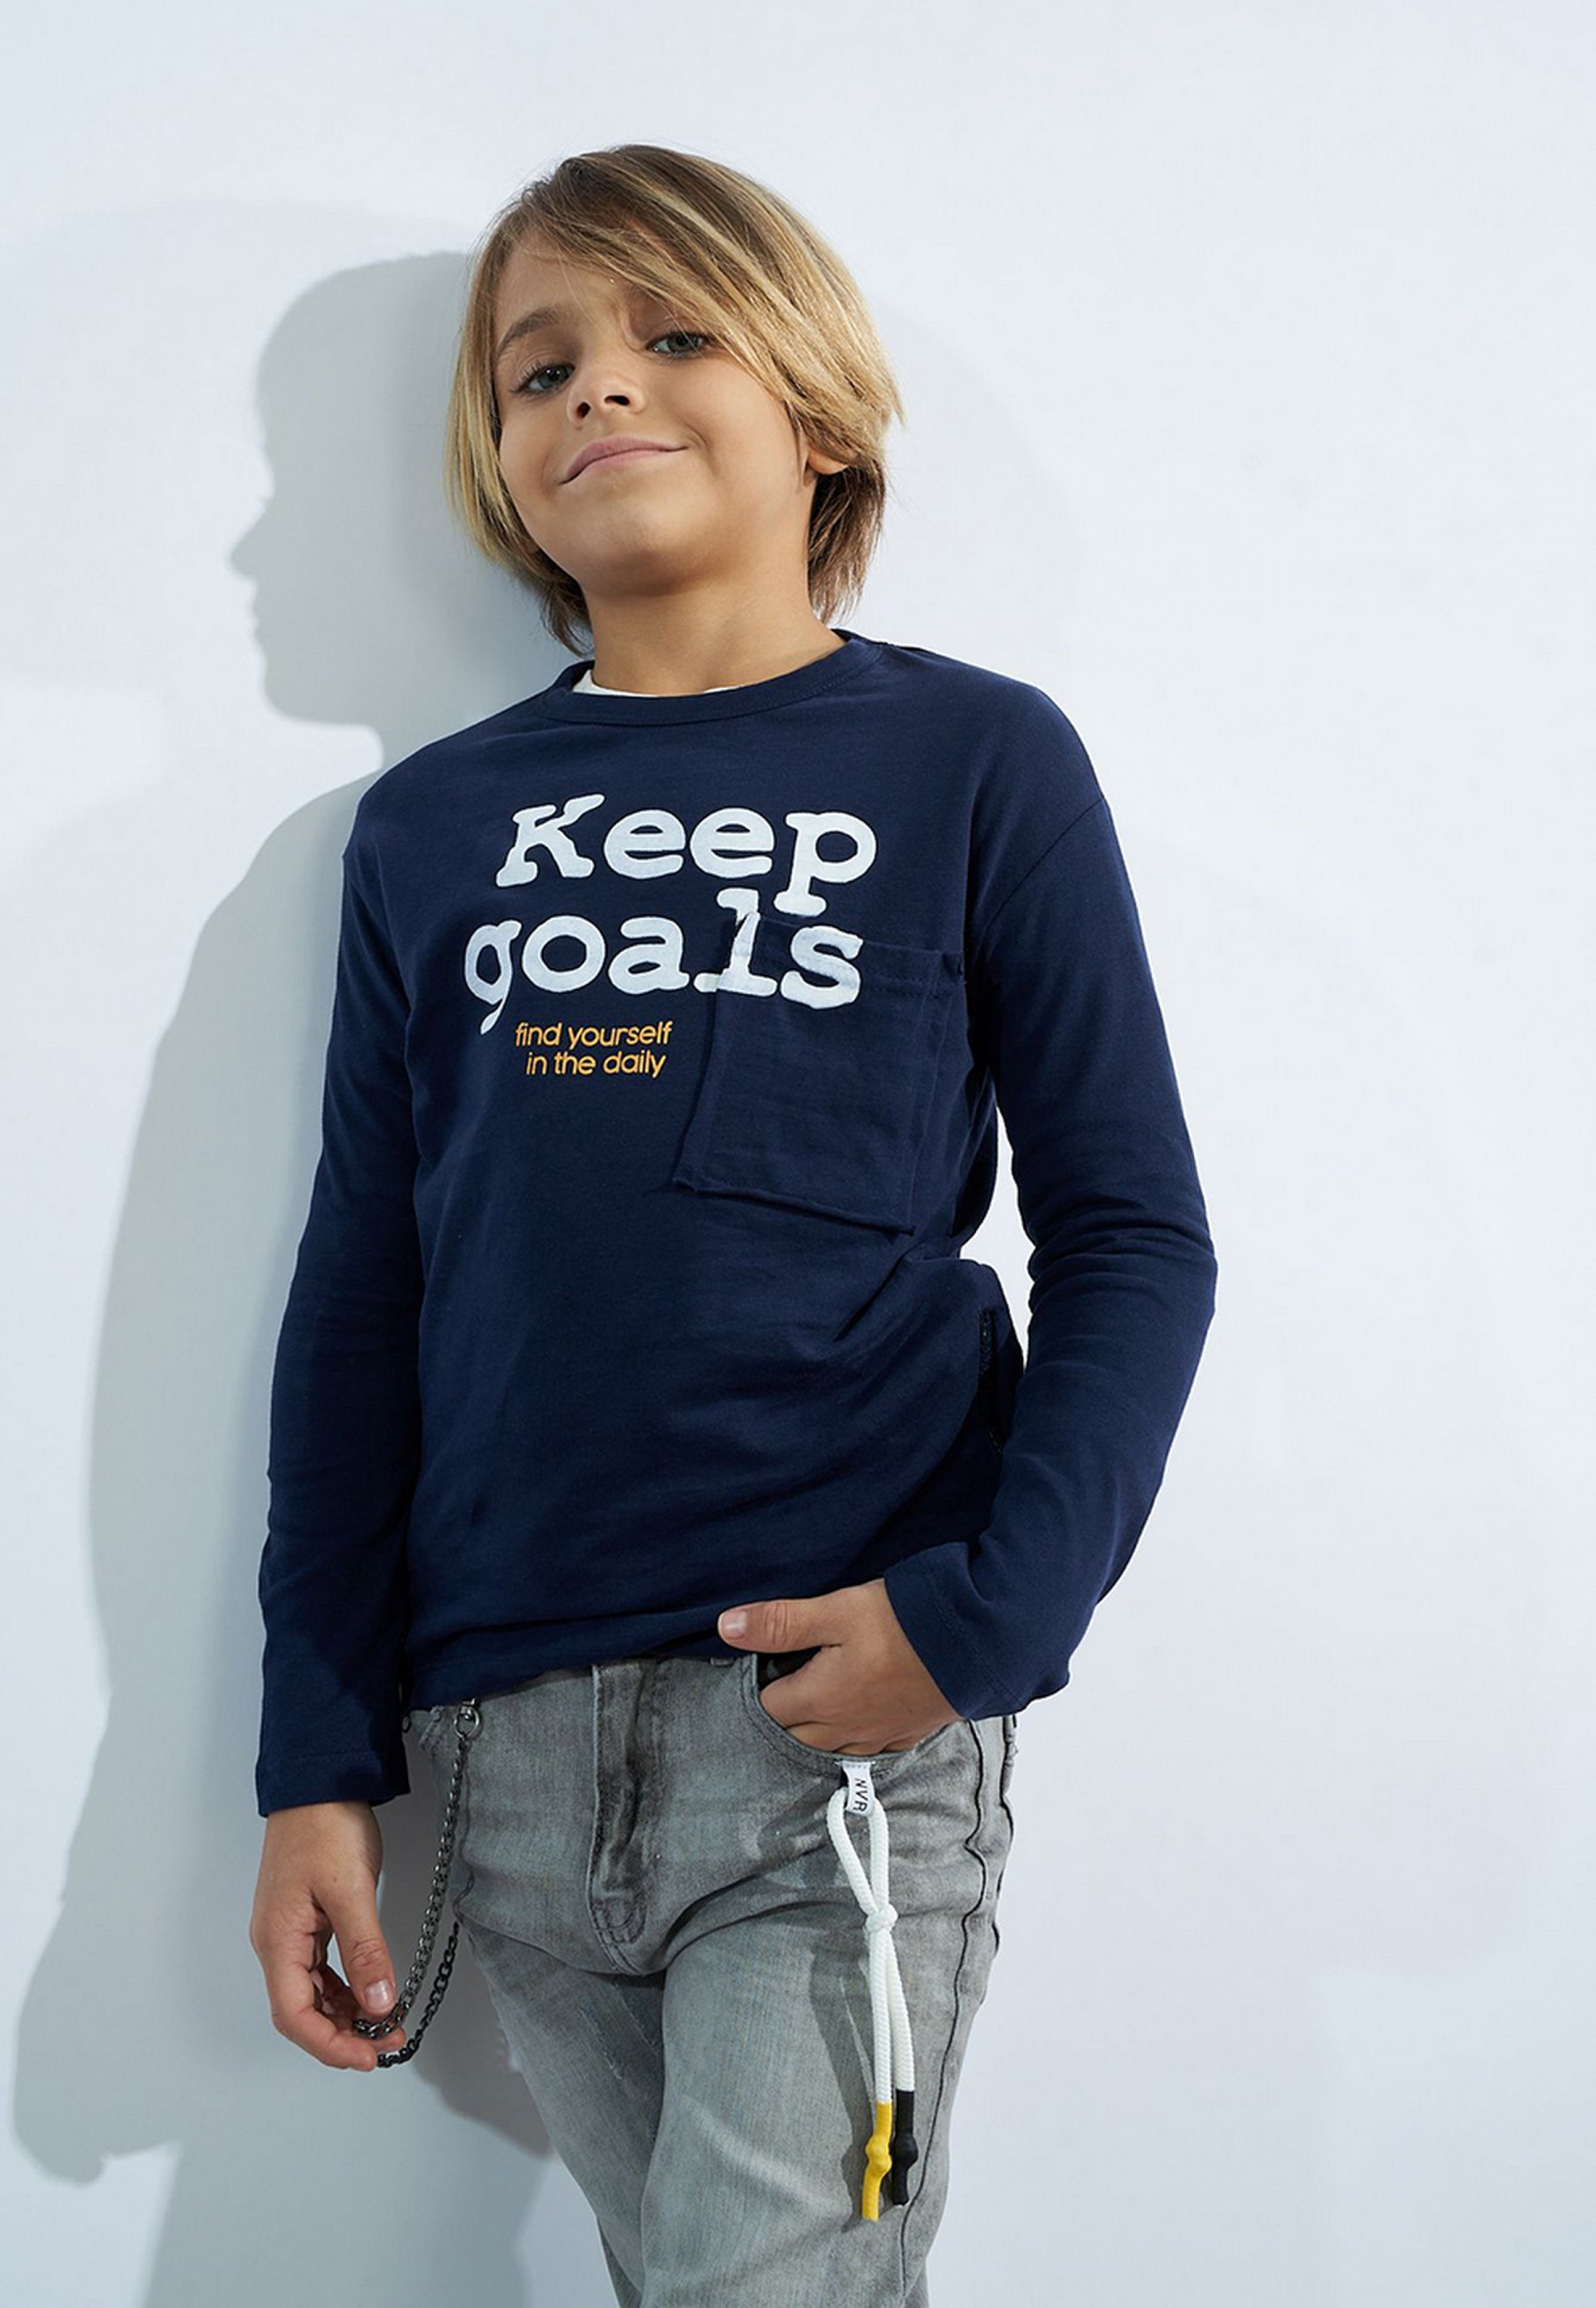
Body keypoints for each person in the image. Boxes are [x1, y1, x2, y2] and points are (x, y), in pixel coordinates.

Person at [248, 141, 1218, 2304]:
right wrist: (315, 1761)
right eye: (538, 369)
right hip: (499, 1749)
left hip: (821, 1739)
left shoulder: (971, 759)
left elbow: (1132, 1232)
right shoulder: (429, 828)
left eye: (675, 334)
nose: (599, 387)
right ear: (499, 464)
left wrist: (989, 1616)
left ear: (819, 416)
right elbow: (362, 1300)